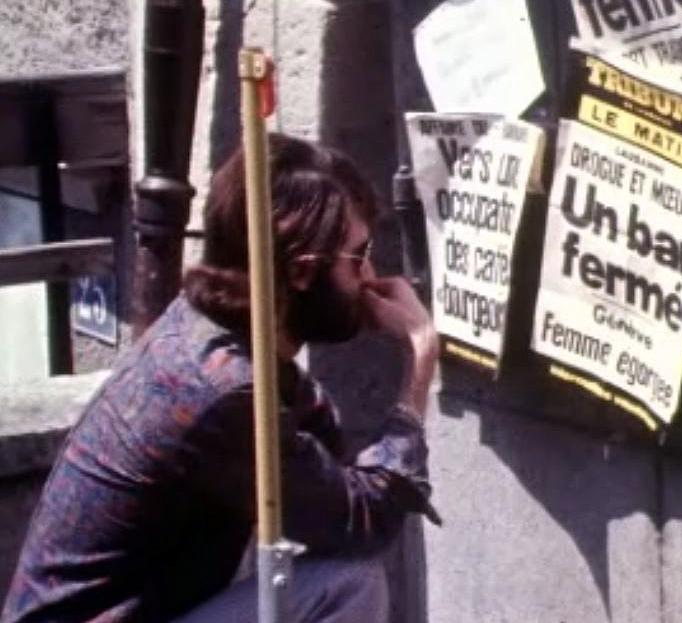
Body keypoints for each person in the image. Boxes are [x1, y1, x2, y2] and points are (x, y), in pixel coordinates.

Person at [2, 133, 440, 623]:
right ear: (300, 272)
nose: (370, 275)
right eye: (357, 258)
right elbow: (362, 521)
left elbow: (324, 479)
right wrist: (420, 357)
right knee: (346, 583)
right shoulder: (222, 391)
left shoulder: (201, 328)